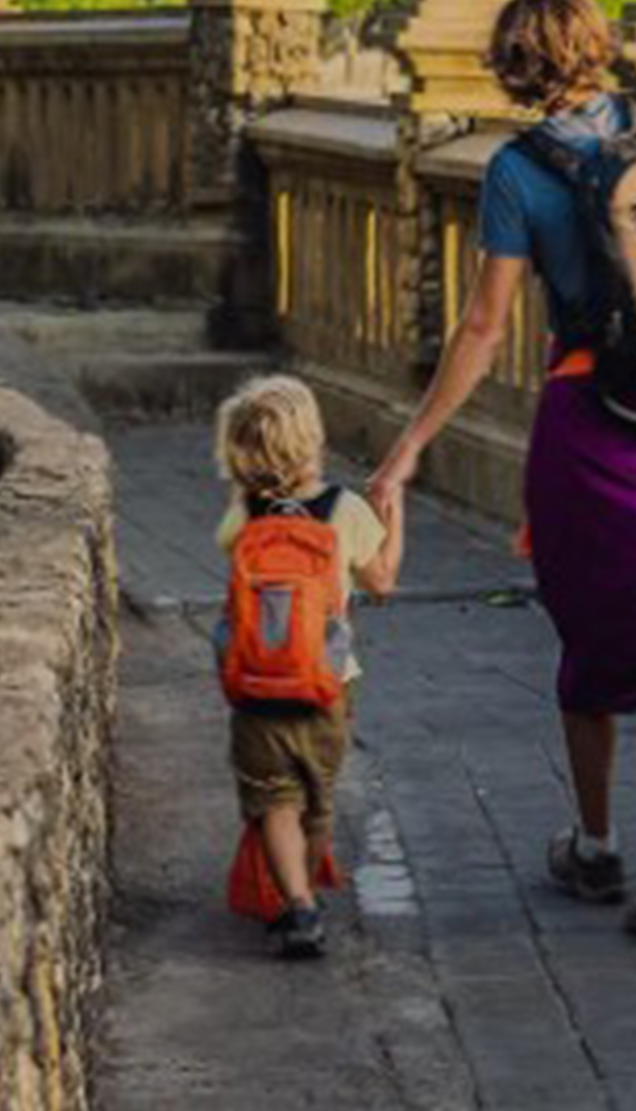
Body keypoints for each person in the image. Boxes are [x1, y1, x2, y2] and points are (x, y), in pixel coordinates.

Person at [366, 0, 636, 950]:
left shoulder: (515, 172)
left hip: (590, 417)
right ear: (596, 48)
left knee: (593, 635)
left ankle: (595, 845)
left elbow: (484, 326)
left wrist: (409, 447)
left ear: (512, 68)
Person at [214, 374, 403, 959]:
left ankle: (297, 905)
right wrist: (394, 517)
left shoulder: (243, 513)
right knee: (316, 797)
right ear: (313, 440)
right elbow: (381, 581)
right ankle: (304, 885)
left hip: (254, 686)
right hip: (326, 686)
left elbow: (230, 553)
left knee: (274, 797)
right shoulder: (344, 510)